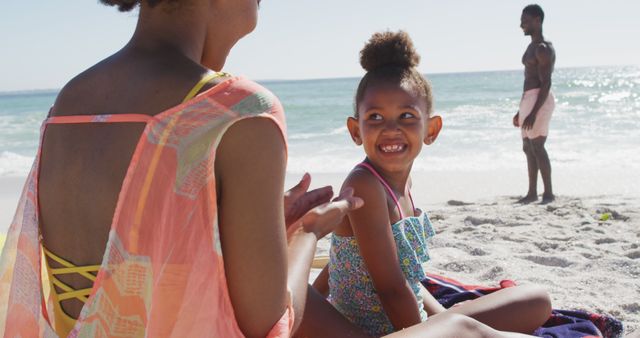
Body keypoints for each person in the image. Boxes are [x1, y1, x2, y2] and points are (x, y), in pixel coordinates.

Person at [0, 0, 363, 336]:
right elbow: (266, 326)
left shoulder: (69, 100)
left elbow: (127, 266)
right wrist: (309, 234)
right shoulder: (239, 110)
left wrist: (254, 229)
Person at [311, 30, 551, 337]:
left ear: (431, 130)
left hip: (415, 319)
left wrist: (443, 317)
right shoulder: (365, 185)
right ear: (355, 130)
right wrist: (440, 328)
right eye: (375, 117)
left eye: (407, 115)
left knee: (536, 299)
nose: (391, 128)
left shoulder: (402, 183)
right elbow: (390, 289)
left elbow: (402, 276)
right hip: (383, 331)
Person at [513, 4, 557, 204]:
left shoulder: (543, 49)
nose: (522, 24)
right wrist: (520, 110)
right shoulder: (530, 47)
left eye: (526, 20)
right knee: (527, 146)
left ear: (538, 20)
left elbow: (546, 83)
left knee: (537, 145)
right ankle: (532, 193)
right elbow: (528, 81)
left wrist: (533, 112)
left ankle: (548, 194)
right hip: (529, 99)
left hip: (540, 99)